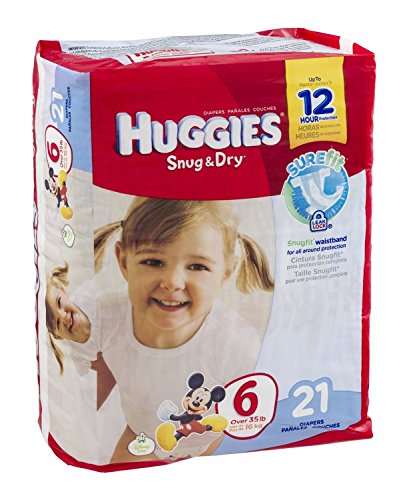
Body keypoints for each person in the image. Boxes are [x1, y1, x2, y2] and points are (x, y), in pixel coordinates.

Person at [88, 197, 274, 463]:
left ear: (225, 273)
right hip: (142, 436)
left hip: (211, 444)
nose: (173, 282)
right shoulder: (107, 317)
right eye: (153, 262)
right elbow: (99, 378)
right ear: (124, 261)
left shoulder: (234, 342)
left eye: (197, 267)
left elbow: (251, 414)